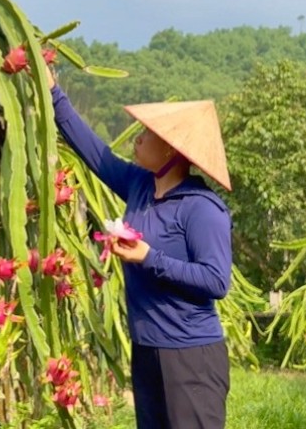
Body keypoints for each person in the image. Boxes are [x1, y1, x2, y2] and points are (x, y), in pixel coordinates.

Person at [48, 70, 233, 429]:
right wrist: (54, 93)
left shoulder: (202, 208)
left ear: (169, 148)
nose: (138, 139)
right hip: (147, 349)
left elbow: (216, 281)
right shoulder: (140, 187)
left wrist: (148, 257)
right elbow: (96, 154)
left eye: (147, 134)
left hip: (191, 357)